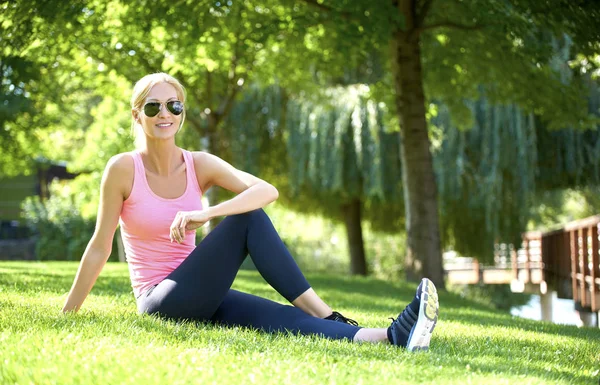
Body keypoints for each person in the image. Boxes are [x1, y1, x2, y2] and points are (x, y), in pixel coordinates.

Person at [62, 72, 439, 351]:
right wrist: (67, 316)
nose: (165, 114)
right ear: (137, 115)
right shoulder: (122, 169)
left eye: (174, 106)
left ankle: (392, 337)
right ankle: (327, 313)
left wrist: (206, 214)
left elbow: (266, 191)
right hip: (159, 300)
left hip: (199, 289)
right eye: (153, 106)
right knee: (247, 219)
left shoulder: (198, 164)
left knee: (283, 318)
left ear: (182, 113)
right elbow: (100, 246)